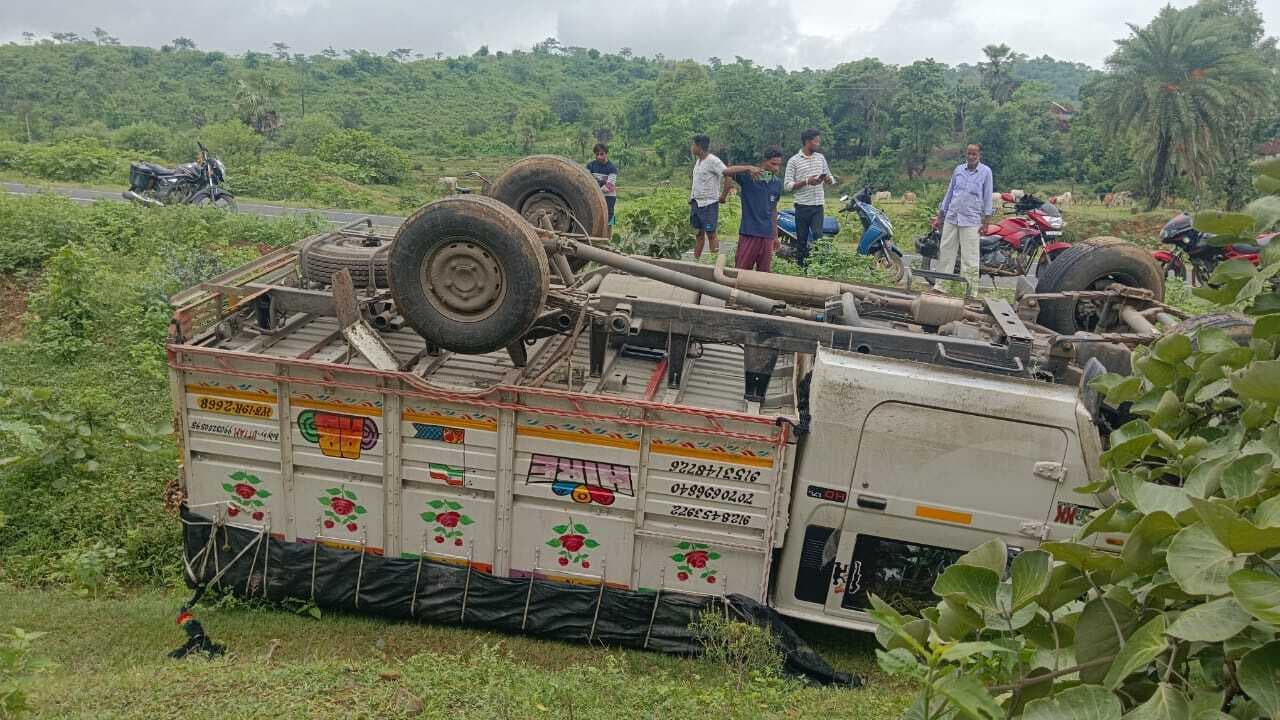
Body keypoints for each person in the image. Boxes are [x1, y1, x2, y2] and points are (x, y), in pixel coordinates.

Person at [935, 143, 994, 287]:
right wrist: (940, 215)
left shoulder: (986, 172)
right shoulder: (959, 170)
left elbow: (987, 198)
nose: (971, 157)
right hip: (952, 217)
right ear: (966, 154)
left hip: (971, 220)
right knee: (946, 253)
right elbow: (950, 193)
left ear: (979, 155)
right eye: (969, 153)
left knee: (970, 257)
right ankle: (941, 286)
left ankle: (968, 290)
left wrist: (986, 222)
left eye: (974, 154)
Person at [719, 148, 784, 272]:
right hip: (749, 232)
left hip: (767, 235)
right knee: (741, 271)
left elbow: (773, 209)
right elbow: (726, 171)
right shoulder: (749, 177)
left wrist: (775, 236)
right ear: (764, 162)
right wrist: (748, 167)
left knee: (764, 275)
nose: (776, 168)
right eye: (773, 164)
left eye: (778, 165)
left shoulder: (777, 183)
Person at [782, 129, 835, 267]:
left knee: (818, 236)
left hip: (818, 206)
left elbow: (830, 176)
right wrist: (806, 182)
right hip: (802, 206)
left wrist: (829, 180)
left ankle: (819, 267)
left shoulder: (821, 158)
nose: (818, 143)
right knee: (802, 240)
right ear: (807, 142)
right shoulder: (793, 161)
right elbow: (787, 186)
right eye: (816, 141)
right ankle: (802, 269)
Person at [688, 134, 726, 259]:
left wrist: (723, 195)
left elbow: (728, 175)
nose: (692, 147)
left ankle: (714, 262)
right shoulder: (698, 162)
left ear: (699, 146)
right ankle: (696, 261)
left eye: (693, 145)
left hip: (709, 205)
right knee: (698, 234)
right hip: (696, 204)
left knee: (711, 234)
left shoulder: (713, 161)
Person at [586, 143, 618, 225]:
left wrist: (596, 189)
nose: (599, 157)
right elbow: (586, 181)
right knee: (595, 216)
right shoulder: (590, 166)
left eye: (602, 154)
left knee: (609, 217)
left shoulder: (612, 168)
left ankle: (609, 235)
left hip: (609, 197)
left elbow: (609, 187)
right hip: (595, 195)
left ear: (606, 154)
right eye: (597, 154)